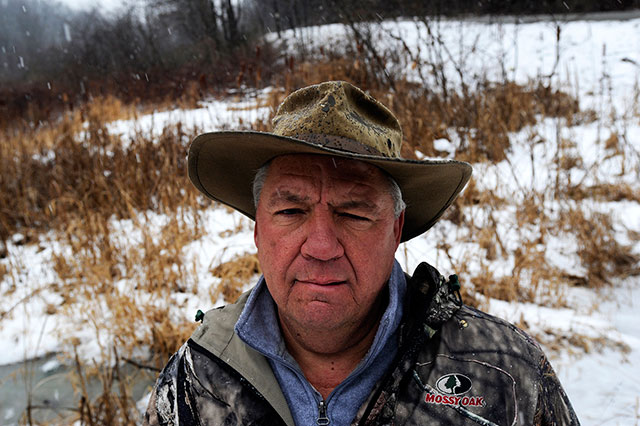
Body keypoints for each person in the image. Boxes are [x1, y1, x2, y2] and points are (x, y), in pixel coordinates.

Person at [144, 81, 579, 425]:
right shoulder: (196, 378)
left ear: (396, 230)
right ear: (258, 229)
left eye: (353, 213)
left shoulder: (502, 371)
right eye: (291, 210)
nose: (320, 247)